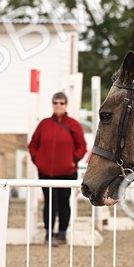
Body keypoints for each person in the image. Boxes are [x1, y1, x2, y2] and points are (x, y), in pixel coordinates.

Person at [28, 92, 87, 245]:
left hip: (67, 172)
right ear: (52, 104)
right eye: (55, 102)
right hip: (46, 172)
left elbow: (82, 146)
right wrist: (38, 161)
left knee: (63, 202)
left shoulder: (73, 124)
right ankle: (48, 234)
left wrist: (72, 161)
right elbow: (33, 144)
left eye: (61, 103)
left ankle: (62, 234)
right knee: (49, 202)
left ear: (66, 105)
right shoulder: (44, 124)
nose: (58, 105)